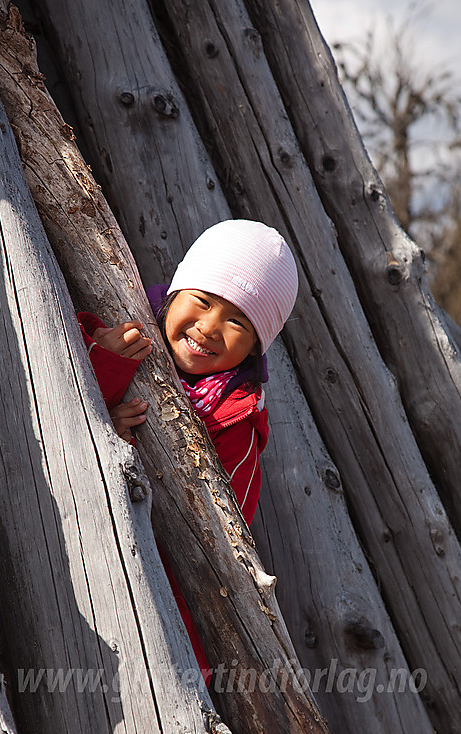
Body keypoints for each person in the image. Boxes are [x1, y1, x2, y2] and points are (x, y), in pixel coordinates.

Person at [78, 219, 298, 682]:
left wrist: (128, 447)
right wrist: (105, 374)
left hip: (153, 605)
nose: (209, 327)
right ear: (176, 292)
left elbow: (212, 530)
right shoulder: (112, 337)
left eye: (238, 321)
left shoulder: (236, 424)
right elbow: (48, 413)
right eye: (202, 300)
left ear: (256, 347)